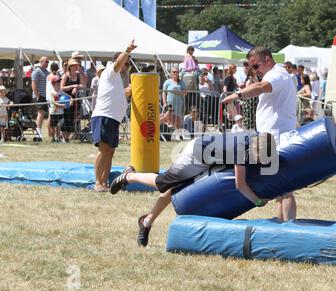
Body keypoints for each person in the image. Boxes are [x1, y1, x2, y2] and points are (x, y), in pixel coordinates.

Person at [110, 132, 274, 247]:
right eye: (258, 159)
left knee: (176, 191)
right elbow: (241, 185)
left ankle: (146, 222)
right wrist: (258, 201)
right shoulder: (242, 151)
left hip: (212, 157)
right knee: (163, 184)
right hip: (196, 155)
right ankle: (129, 176)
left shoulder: (258, 137)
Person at [221, 46, 297, 221]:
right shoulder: (277, 73)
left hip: (277, 137)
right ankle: (281, 226)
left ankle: (290, 229)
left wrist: (237, 95)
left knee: (286, 190)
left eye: (256, 66)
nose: (254, 71)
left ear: (268, 60)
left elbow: (262, 87)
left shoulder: (276, 74)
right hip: (272, 136)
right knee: (280, 189)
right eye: (251, 67)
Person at [90, 40, 137, 192]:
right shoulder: (110, 70)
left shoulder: (114, 80)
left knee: (110, 151)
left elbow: (121, 94)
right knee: (104, 150)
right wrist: (127, 50)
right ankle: (98, 183)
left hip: (112, 119)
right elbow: (118, 62)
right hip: (104, 116)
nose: (127, 67)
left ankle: (104, 183)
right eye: (127, 63)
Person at [61, 58, 85, 142]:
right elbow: (62, 88)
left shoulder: (79, 75)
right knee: (66, 117)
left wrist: (77, 87)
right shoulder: (65, 76)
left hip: (76, 100)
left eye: (76, 65)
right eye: (74, 66)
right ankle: (64, 137)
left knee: (73, 118)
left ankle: (67, 137)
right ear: (70, 67)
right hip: (66, 99)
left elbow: (83, 85)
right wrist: (73, 86)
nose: (76, 67)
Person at [31, 56, 50, 141]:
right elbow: (33, 83)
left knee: (43, 114)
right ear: (40, 62)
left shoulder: (47, 72)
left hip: (46, 96)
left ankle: (39, 130)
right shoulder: (37, 71)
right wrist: (37, 94)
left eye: (47, 62)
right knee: (41, 113)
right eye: (45, 61)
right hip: (39, 96)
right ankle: (38, 131)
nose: (47, 63)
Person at [48, 75, 67, 143]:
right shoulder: (52, 92)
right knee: (53, 127)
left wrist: (71, 99)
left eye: (59, 82)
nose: (59, 83)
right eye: (57, 82)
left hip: (60, 112)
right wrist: (61, 105)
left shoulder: (61, 92)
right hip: (54, 112)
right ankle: (53, 138)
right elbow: (53, 102)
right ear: (53, 84)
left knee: (59, 126)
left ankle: (58, 138)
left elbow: (67, 96)